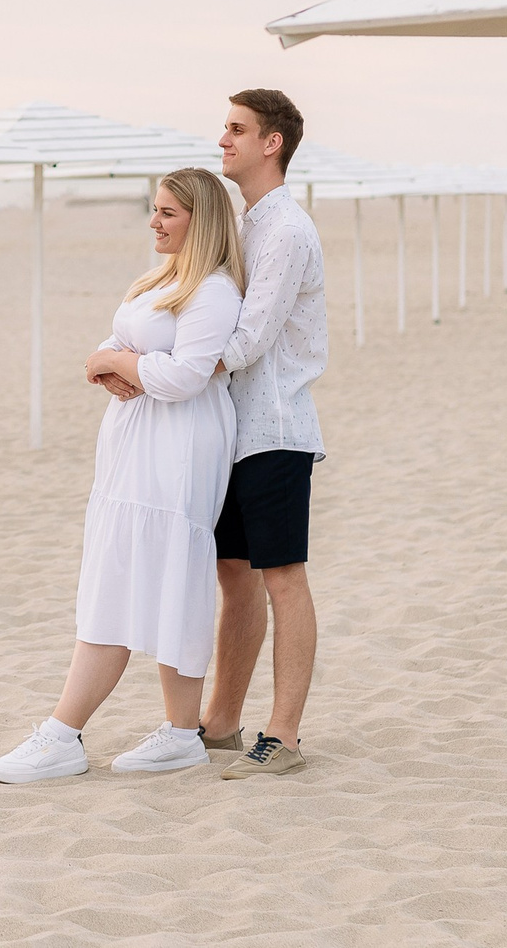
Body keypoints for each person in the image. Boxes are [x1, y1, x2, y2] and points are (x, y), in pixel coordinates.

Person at [0, 168, 244, 784]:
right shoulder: (162, 277)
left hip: (178, 449)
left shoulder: (212, 291)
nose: (154, 222)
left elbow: (186, 377)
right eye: (153, 210)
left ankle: (63, 733)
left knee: (140, 576)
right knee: (134, 572)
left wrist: (120, 361)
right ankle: (183, 732)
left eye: (168, 214)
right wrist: (115, 364)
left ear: (200, 221)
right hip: (135, 444)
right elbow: (122, 343)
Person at [200, 88, 327, 779]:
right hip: (234, 429)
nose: (223, 140)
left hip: (276, 429)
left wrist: (159, 369)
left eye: (236, 129)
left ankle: (283, 736)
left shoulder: (286, 230)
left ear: (271, 143)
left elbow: (247, 341)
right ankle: (220, 722)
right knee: (232, 576)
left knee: (282, 577)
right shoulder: (247, 225)